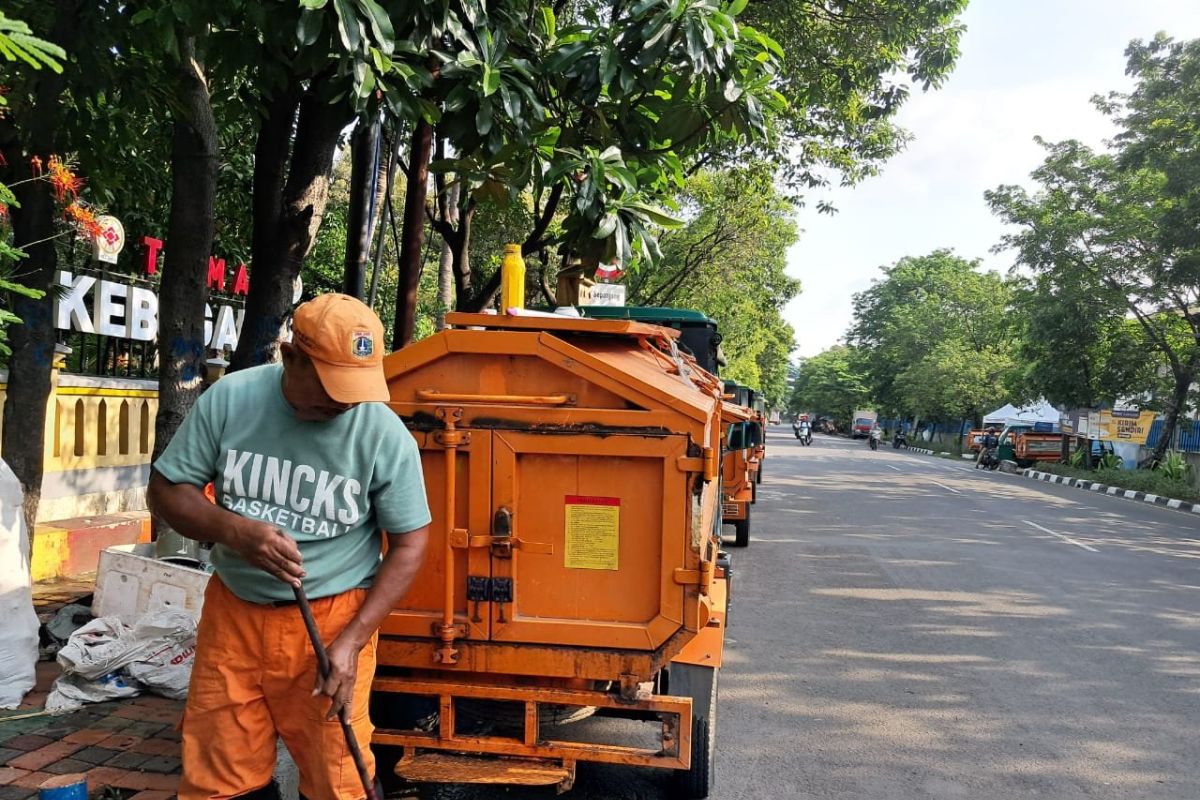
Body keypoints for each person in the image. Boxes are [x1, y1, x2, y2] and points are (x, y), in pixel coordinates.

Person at [148, 293, 432, 800]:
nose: (342, 402)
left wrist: (351, 643)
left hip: (333, 623)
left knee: (337, 777)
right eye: (330, 386)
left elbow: (411, 543)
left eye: (354, 388)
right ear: (289, 356)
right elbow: (168, 490)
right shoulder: (230, 400)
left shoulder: (384, 434)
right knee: (220, 776)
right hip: (234, 615)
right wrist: (234, 530)